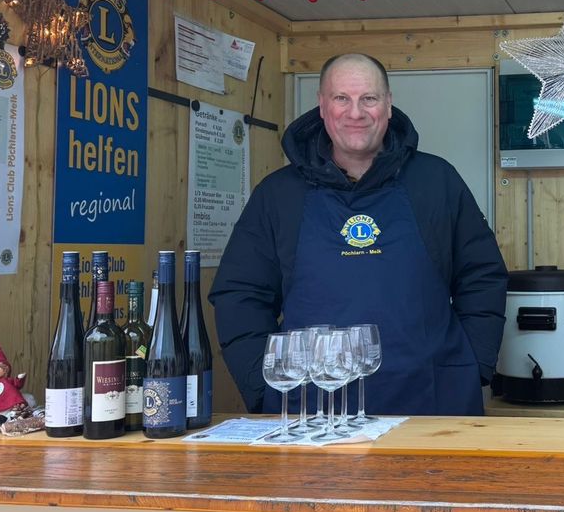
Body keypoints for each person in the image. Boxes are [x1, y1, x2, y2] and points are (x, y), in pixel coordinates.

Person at [210, 53, 508, 416]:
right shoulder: (278, 195)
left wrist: (472, 364)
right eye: (341, 99)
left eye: (369, 98)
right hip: (312, 413)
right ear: (322, 105)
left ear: (388, 104)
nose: (356, 112)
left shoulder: (436, 181)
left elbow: (482, 275)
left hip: (434, 403)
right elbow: (240, 294)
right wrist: (263, 385)